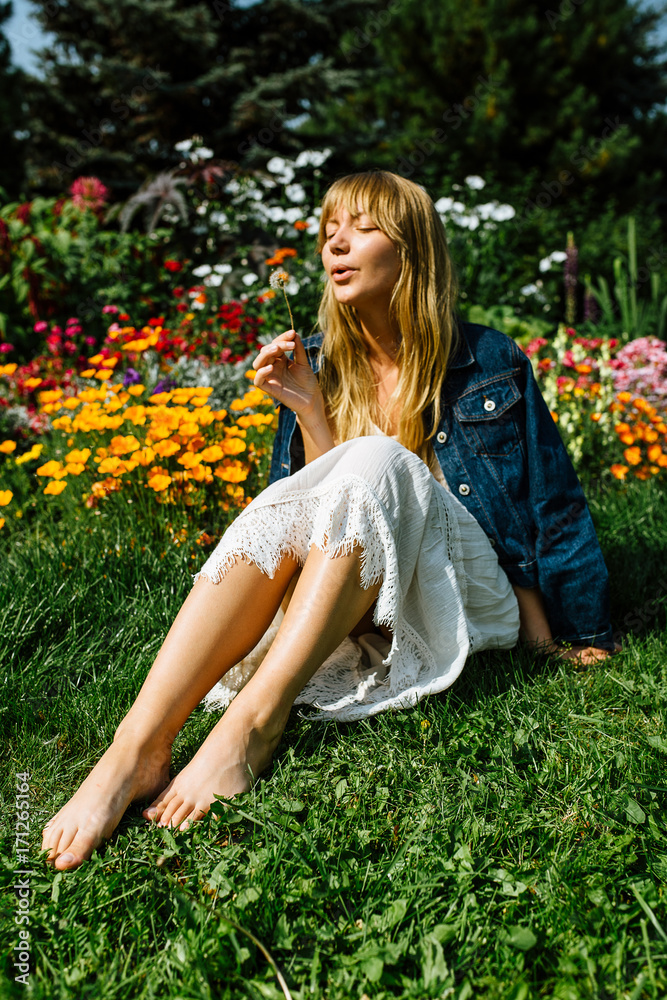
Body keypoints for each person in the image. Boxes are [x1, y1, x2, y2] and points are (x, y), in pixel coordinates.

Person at [42, 170, 616, 872]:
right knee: (335, 476)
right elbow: (308, 515)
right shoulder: (315, 363)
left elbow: (549, 504)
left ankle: (252, 723)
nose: (336, 244)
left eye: (361, 228)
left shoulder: (486, 359)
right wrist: (309, 410)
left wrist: (572, 630)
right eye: (327, 233)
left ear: (412, 252)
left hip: (461, 594)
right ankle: (135, 748)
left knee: (375, 457)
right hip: (362, 602)